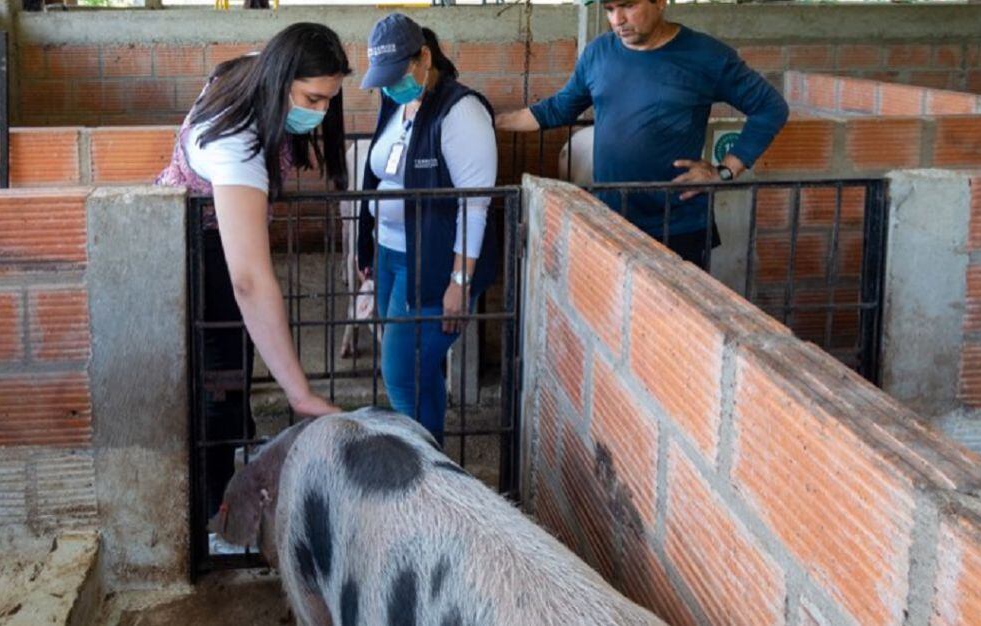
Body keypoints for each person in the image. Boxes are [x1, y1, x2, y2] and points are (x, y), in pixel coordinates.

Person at [156, 22, 346, 521]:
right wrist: (300, 393)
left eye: (329, 99)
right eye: (312, 98)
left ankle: (234, 454)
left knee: (235, 362)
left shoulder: (256, 68)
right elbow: (250, 280)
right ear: (280, 80)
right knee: (216, 380)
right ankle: (212, 516)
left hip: (216, 233)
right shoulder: (235, 143)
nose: (321, 111)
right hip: (200, 246)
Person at [496, 0, 789, 270]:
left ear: (660, 3)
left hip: (676, 226)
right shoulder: (599, 53)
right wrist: (492, 121)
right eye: (609, 9)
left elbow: (770, 107)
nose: (617, 20)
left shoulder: (706, 56)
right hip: (612, 219)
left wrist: (724, 171)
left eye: (628, 5)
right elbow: (558, 109)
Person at [355, 13, 498, 445]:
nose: (390, 86)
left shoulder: (461, 111)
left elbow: (475, 205)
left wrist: (460, 281)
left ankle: (421, 459)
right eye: (384, 79)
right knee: (414, 365)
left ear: (424, 58)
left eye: (398, 75)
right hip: (390, 252)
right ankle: (431, 447)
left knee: (402, 368)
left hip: (433, 261)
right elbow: (377, 175)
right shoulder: (395, 103)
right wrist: (368, 251)